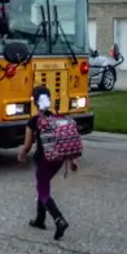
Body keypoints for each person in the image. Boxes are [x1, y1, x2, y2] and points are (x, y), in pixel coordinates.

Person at [18, 85, 79, 241]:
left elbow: (27, 144)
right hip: (58, 160)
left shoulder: (34, 121)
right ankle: (40, 219)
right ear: (49, 99)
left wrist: (22, 155)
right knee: (44, 185)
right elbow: (64, 138)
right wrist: (72, 160)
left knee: (43, 190)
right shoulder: (56, 117)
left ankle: (59, 219)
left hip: (44, 160)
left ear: (34, 102)